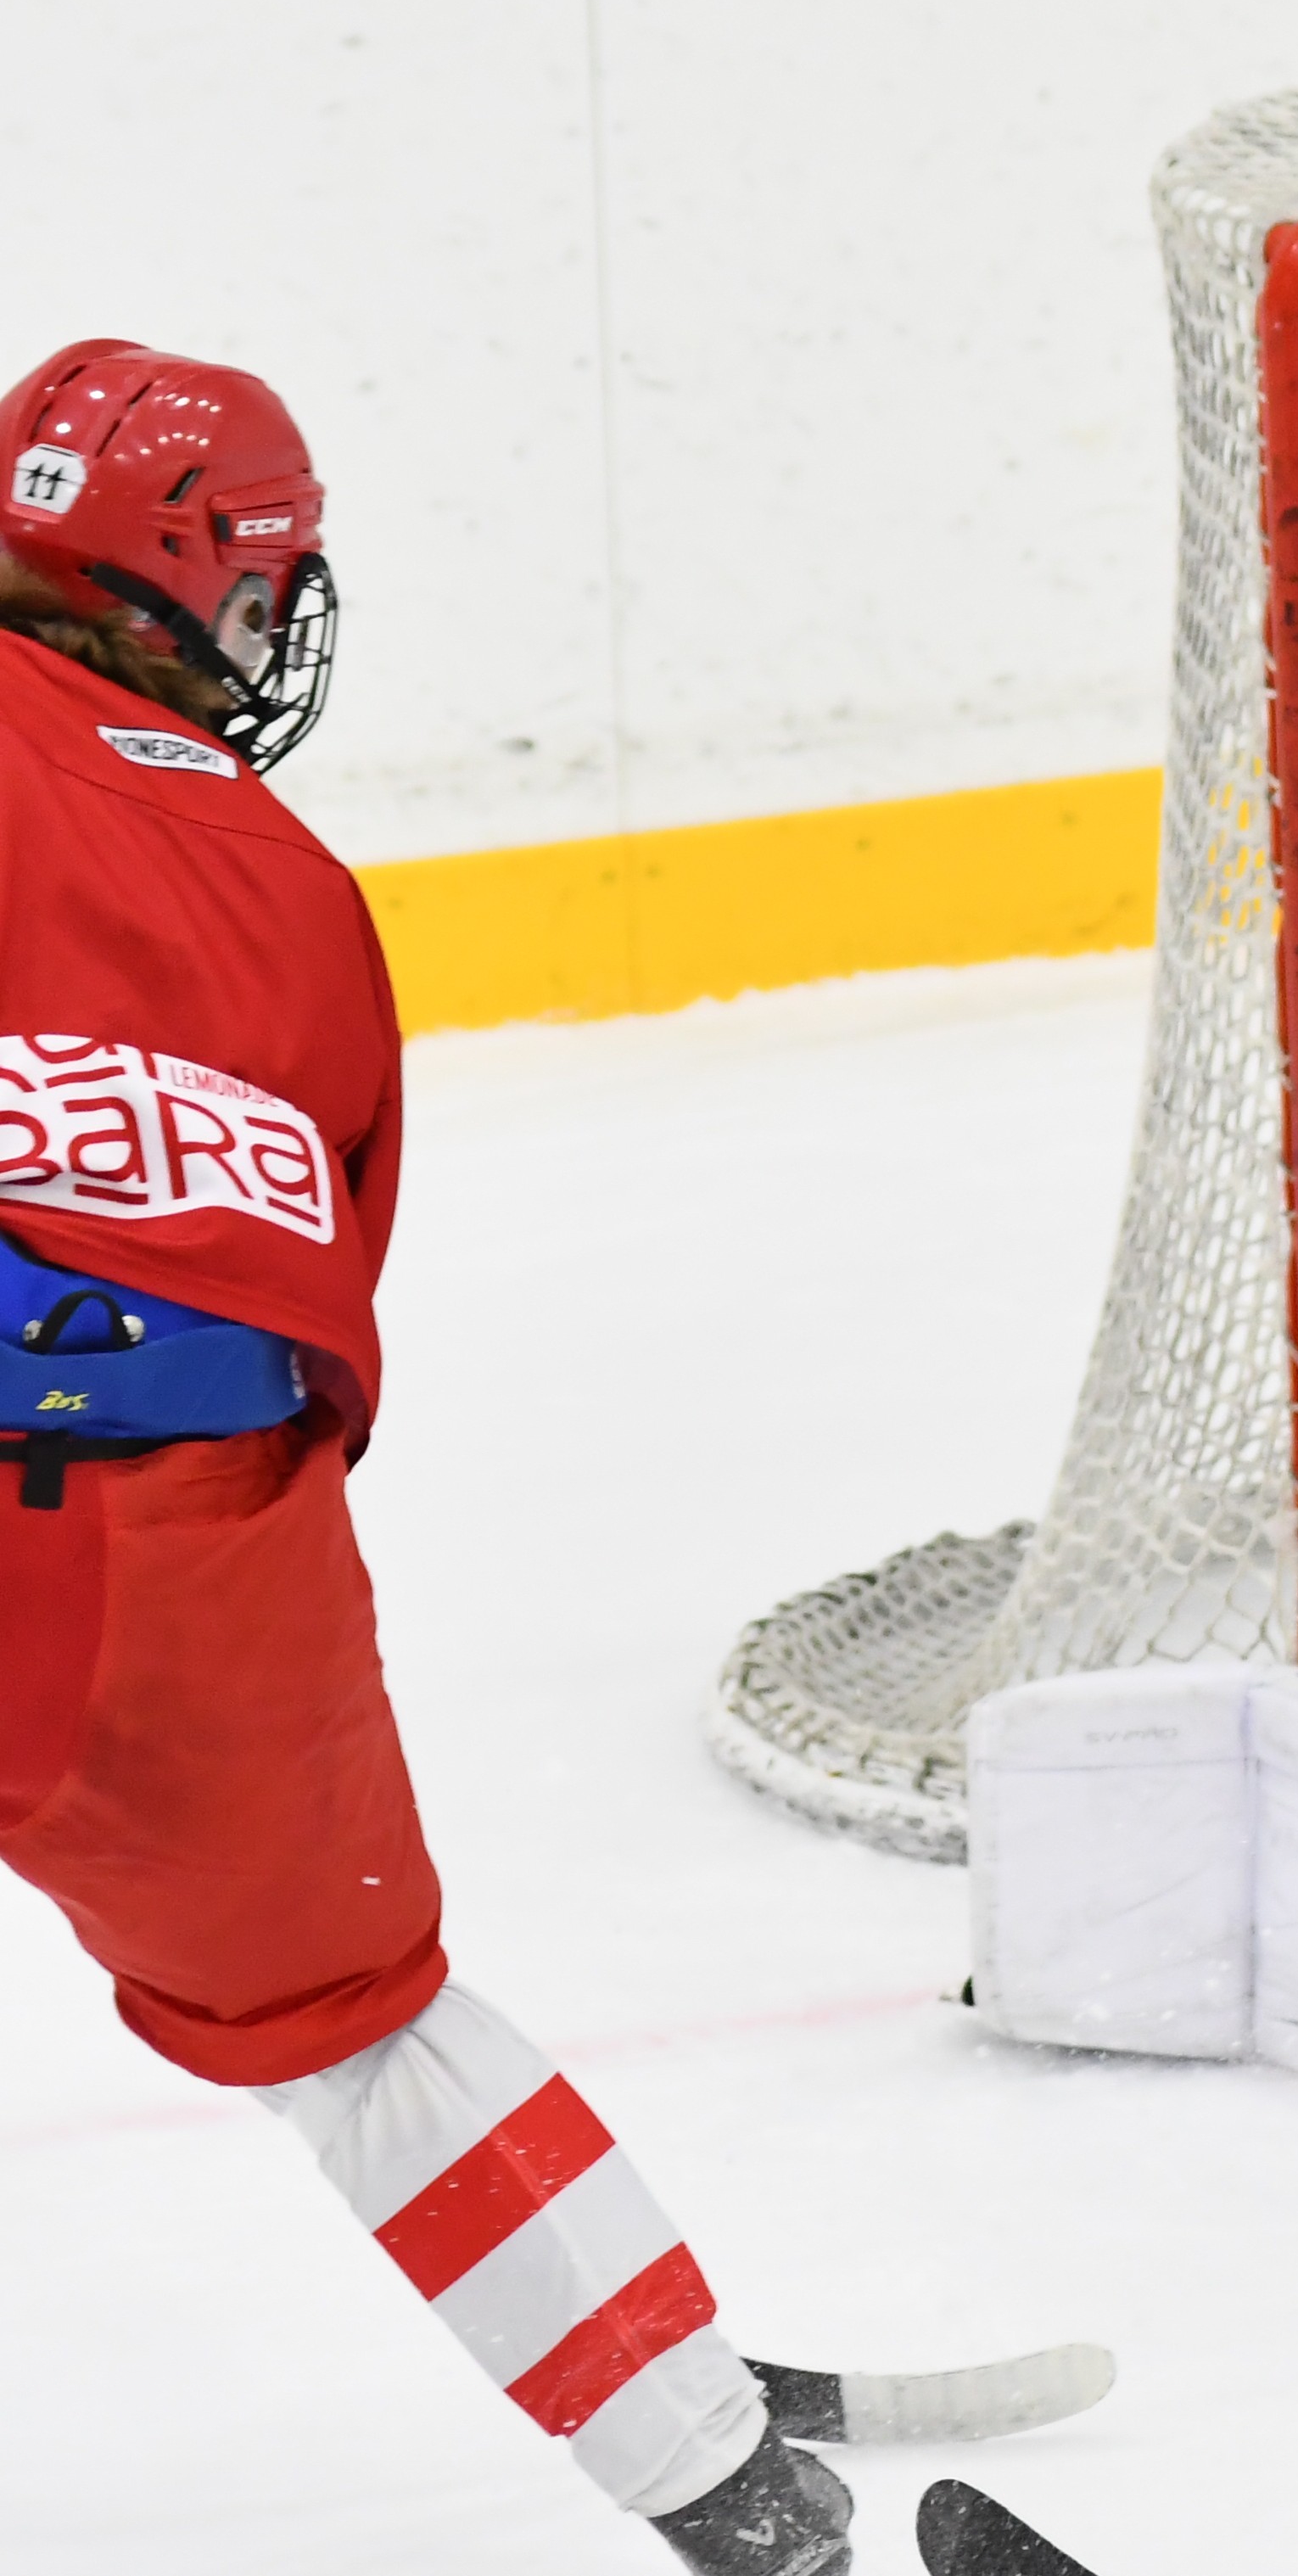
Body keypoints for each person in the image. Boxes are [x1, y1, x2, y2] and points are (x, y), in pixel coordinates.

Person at [0, 343, 853, 2571]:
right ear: (197, 581)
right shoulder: (291, 886)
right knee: (354, 2021)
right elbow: (326, 1293)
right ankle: (711, 2466)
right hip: (183, 1548)